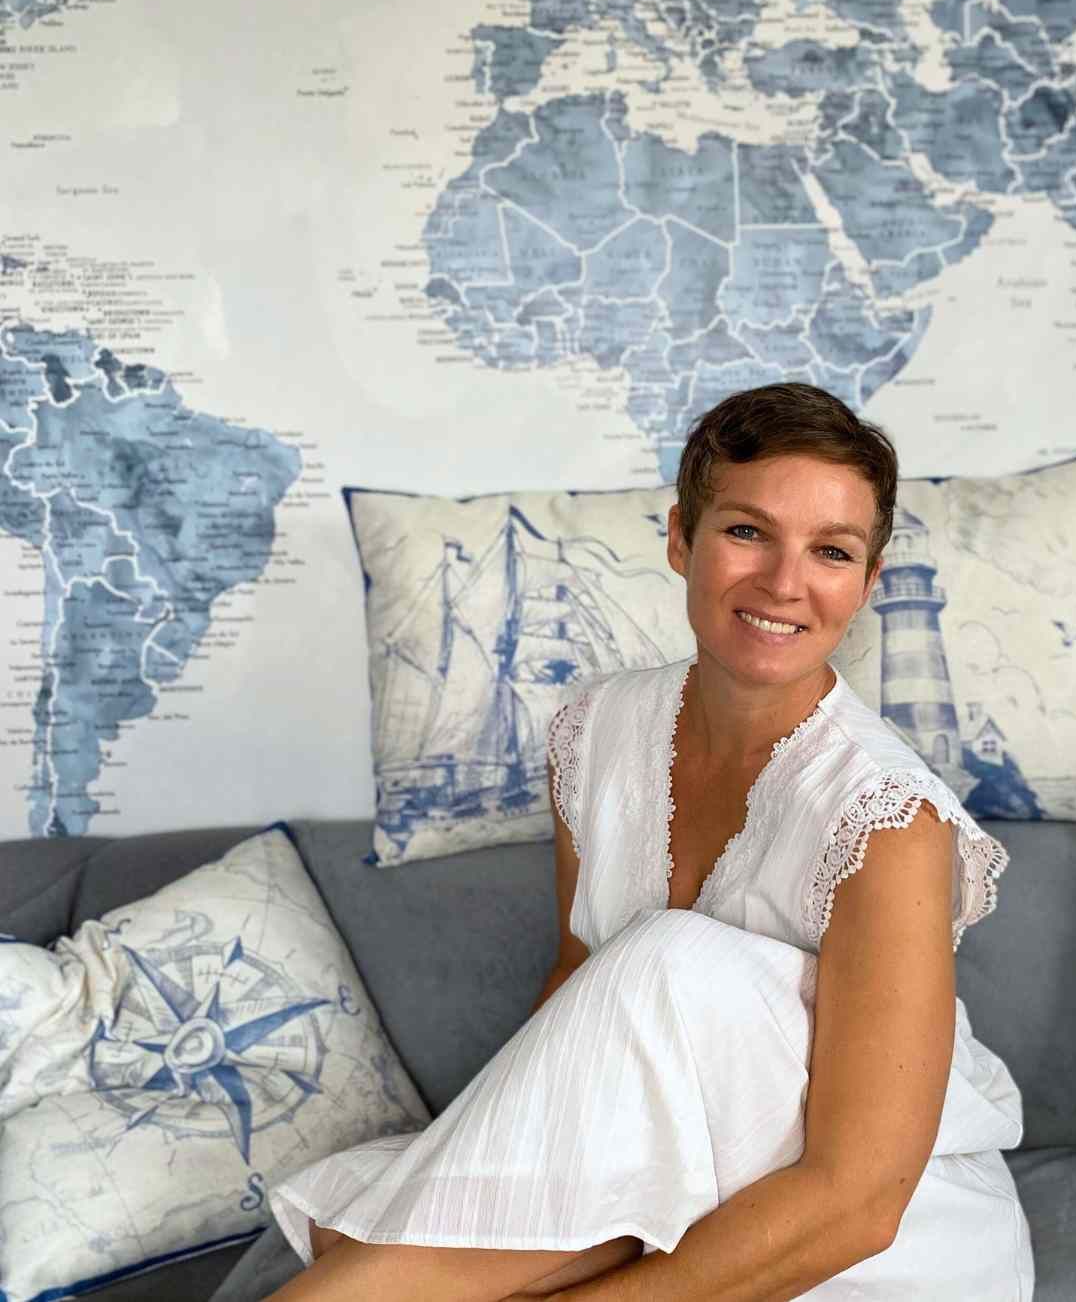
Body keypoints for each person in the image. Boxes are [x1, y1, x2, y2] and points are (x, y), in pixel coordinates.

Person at [264, 383, 1034, 1301]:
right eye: (747, 532)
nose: (784, 582)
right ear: (680, 539)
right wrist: (497, 1176)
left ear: (867, 583)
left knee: (668, 960)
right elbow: (576, 983)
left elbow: (858, 1202)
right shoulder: (596, 731)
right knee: (348, 1225)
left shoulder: (888, 820)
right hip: (675, 1167)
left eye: (831, 551)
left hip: (875, 1232)